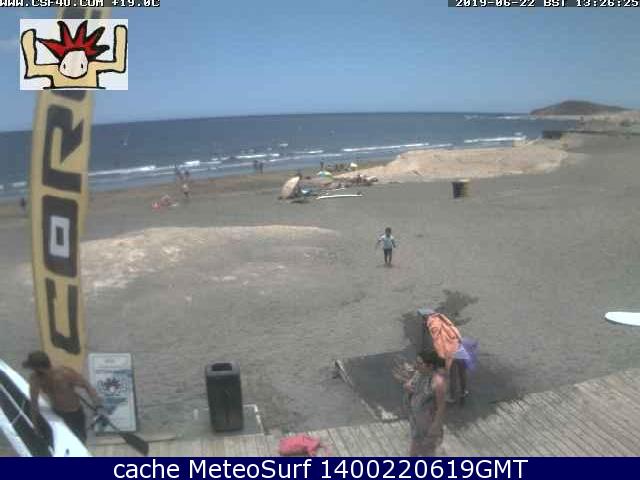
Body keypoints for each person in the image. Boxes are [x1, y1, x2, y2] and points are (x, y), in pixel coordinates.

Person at [23, 351, 102, 444]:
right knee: (60, 442)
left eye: (33, 367)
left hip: (75, 414)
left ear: (39, 367)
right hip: (57, 413)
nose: (32, 370)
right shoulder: (35, 379)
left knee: (79, 442)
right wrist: (35, 425)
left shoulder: (64, 373)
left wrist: (98, 405)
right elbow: (34, 403)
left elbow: (86, 385)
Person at [393, 350, 447, 456]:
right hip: (416, 419)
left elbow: (441, 407)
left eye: (419, 363)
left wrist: (435, 427)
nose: (416, 365)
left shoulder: (438, 383)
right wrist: (407, 386)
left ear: (430, 366)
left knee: (427, 452)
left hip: (428, 423)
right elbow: (411, 384)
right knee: (415, 450)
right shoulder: (419, 373)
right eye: (416, 362)